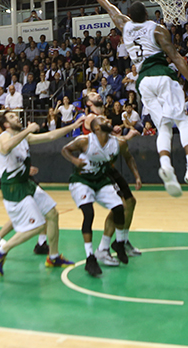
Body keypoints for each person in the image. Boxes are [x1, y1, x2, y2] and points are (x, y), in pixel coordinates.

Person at [82, 0, 188, 196]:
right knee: (182, 122)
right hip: (161, 75)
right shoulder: (158, 29)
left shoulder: (125, 26)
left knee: (162, 125)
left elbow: (110, 7)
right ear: (147, 14)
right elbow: (177, 58)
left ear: (130, 16)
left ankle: (166, 167)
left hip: (143, 82)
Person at [0, 111, 78, 275]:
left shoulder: (23, 138)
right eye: (12, 117)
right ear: (6, 125)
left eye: (16, 115)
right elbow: (6, 147)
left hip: (26, 184)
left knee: (52, 214)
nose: (16, 117)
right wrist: (28, 130)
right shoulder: (4, 137)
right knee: (37, 226)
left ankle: (53, 256)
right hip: (13, 188)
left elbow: (51, 136)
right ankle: (1, 250)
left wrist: (72, 126)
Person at [61, 103, 142, 277]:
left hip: (101, 179)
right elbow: (65, 149)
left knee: (120, 208)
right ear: (96, 127)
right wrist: (75, 162)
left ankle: (119, 243)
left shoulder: (118, 143)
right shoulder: (84, 141)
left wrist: (136, 176)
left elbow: (129, 157)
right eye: (103, 119)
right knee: (89, 214)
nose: (107, 118)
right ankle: (91, 256)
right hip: (82, 180)